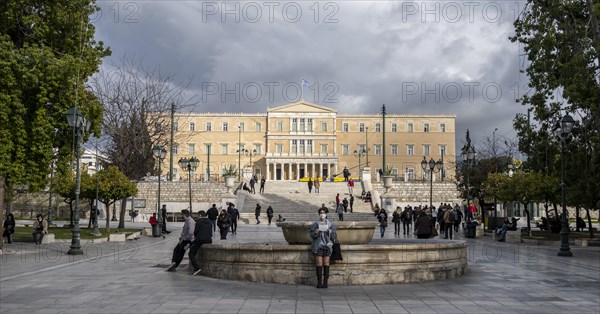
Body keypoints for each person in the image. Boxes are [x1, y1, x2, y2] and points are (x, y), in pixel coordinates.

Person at [309, 208, 337, 289]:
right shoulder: (315, 224)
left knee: (326, 263)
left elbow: (334, 236)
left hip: (327, 246)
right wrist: (316, 232)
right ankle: (319, 282)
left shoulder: (331, 224)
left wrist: (330, 232)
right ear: (319, 214)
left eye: (324, 212)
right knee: (318, 263)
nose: (322, 214)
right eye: (321, 213)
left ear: (326, 213)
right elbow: (311, 235)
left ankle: (325, 282)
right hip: (318, 246)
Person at [189, 210, 213, 276]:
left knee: (191, 253)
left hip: (200, 240)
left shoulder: (199, 222)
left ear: (200, 215)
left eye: (198, 215)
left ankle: (196, 268)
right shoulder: (210, 222)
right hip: (208, 240)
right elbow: (211, 232)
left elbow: (195, 233)